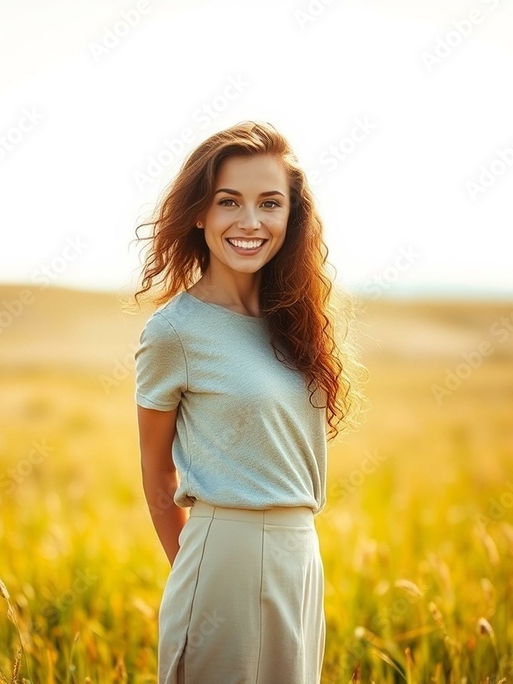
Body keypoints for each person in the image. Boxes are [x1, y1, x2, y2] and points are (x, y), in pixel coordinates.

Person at [131, 120, 366, 683]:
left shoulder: (296, 323)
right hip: (224, 554)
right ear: (199, 213)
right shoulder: (175, 332)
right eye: (228, 202)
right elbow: (156, 475)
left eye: (270, 203)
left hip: (300, 555)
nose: (250, 222)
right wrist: (202, 568)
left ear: (291, 216)